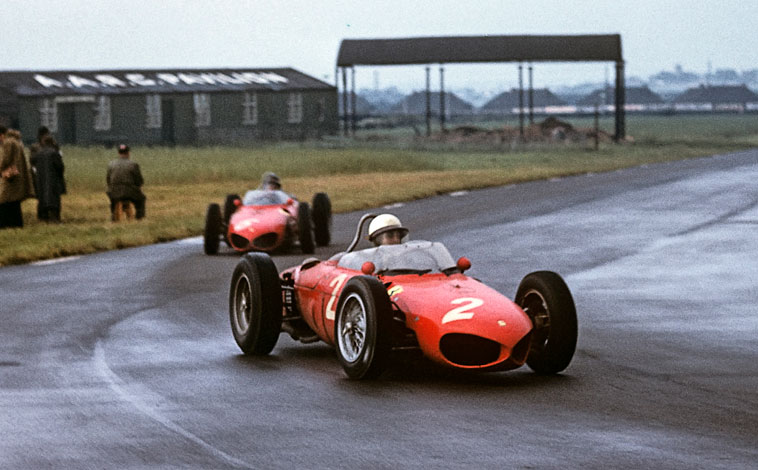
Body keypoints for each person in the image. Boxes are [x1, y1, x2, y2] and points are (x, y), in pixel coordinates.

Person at [0, 128, 35, 228]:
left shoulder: (8, 143)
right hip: (17, 177)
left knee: (4, 201)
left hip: (10, 178)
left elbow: (4, 159)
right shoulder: (16, 141)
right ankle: (16, 225)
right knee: (14, 203)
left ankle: (4, 225)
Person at [30, 135, 66, 222]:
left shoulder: (38, 153)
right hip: (53, 180)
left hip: (40, 179)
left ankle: (43, 217)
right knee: (54, 200)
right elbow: (60, 167)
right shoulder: (54, 153)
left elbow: (32, 161)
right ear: (52, 142)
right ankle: (55, 218)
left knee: (42, 198)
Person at [106, 144, 146, 220]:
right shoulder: (133, 164)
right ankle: (139, 217)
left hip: (113, 192)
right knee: (141, 199)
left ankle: (113, 215)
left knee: (113, 201)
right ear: (128, 153)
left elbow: (108, 180)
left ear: (118, 153)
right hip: (129, 192)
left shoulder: (111, 164)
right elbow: (139, 181)